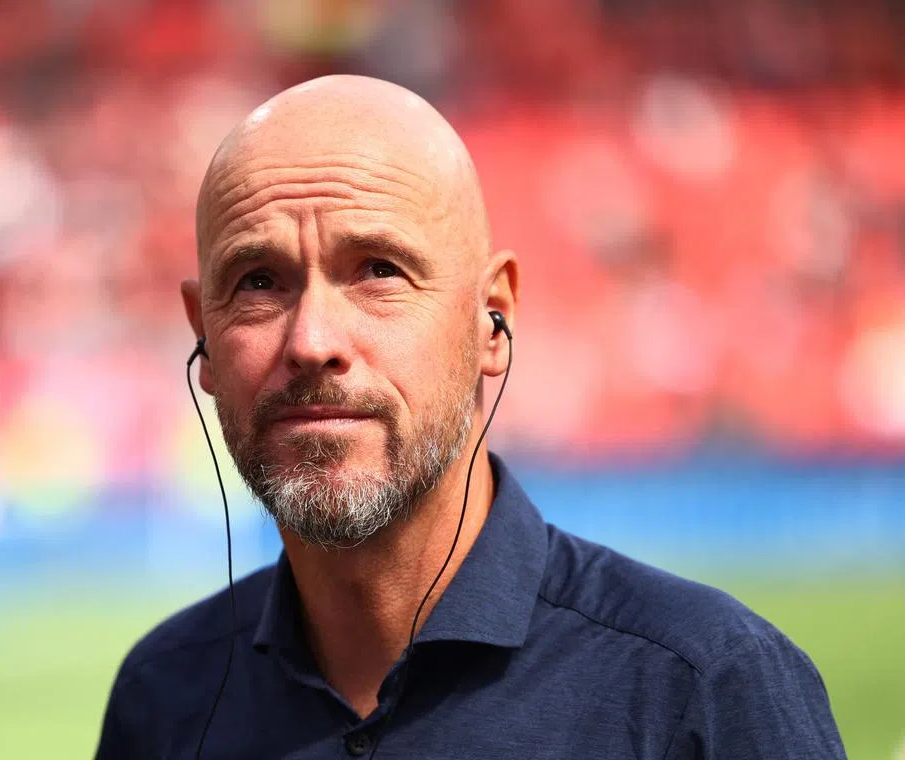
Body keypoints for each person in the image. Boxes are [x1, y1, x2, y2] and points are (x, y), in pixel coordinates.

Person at [95, 75, 846, 759]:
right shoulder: (162, 700)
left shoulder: (703, 690)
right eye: (259, 282)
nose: (312, 341)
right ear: (203, 333)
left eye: (379, 271)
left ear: (493, 319)